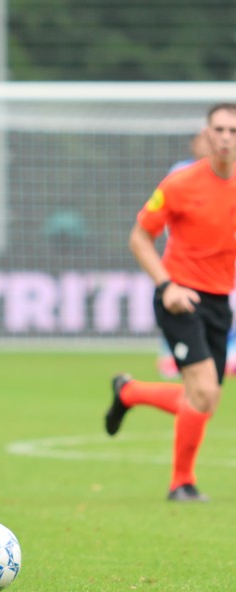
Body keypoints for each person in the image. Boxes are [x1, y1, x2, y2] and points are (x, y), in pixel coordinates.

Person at [105, 102, 236, 502]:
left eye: (234, 130)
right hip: (179, 298)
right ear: (206, 134)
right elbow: (139, 238)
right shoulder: (180, 184)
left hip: (218, 302)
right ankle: (181, 483)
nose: (227, 138)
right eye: (220, 129)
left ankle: (129, 392)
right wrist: (167, 287)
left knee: (205, 398)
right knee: (203, 392)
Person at [157, 131, 213, 379]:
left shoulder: (226, 174)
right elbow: (144, 233)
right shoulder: (181, 174)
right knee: (178, 307)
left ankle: (129, 392)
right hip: (185, 263)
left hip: (218, 264)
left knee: (205, 391)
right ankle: (169, 354)